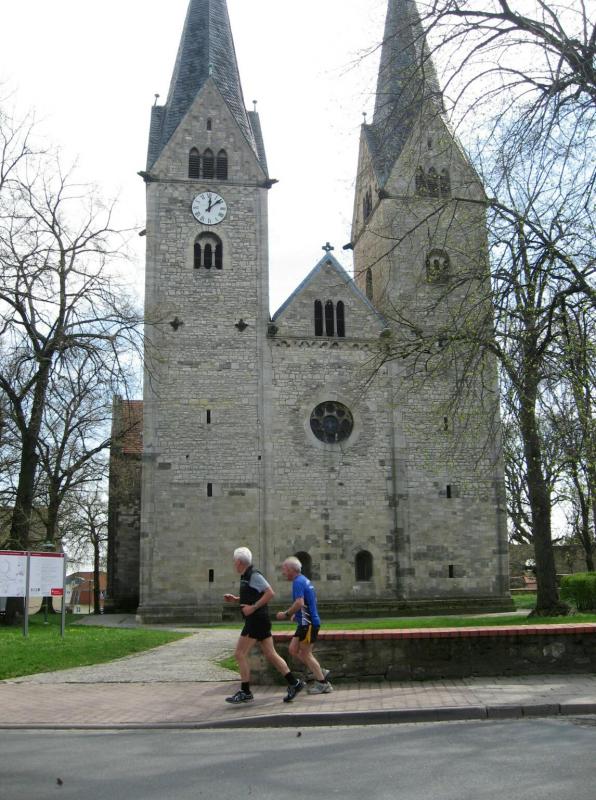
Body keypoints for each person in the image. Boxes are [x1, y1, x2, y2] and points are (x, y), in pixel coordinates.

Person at [224, 547, 306, 704]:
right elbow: (254, 595)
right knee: (271, 654)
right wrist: (236, 599)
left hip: (256, 621)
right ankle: (294, 683)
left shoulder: (254, 575)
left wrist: (253, 607)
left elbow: (270, 593)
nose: (234, 564)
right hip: (259, 620)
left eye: (234, 561)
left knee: (239, 654)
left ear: (239, 562)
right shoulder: (246, 576)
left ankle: (245, 691)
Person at [276, 556, 333, 694]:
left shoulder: (298, 582)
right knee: (293, 650)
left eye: (284, 569)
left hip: (308, 624)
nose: (283, 572)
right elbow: (310, 601)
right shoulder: (304, 580)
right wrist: (298, 615)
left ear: (291, 569)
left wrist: (286, 614)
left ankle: (323, 684)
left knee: (306, 654)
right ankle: (319, 670)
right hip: (305, 622)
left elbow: (299, 602)